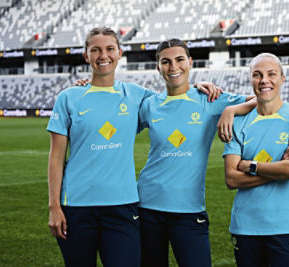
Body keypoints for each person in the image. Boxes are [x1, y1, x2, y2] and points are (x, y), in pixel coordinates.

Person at [48, 26, 222, 267]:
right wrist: (54, 206)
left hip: (122, 206)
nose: (103, 55)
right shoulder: (69, 97)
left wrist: (199, 87)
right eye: (95, 50)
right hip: (76, 206)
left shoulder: (138, 96)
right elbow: (56, 157)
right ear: (86, 55)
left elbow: (174, 94)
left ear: (120, 53)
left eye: (109, 49)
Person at [136, 38, 257, 267]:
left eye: (180, 59)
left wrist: (230, 110)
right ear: (158, 67)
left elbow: (260, 100)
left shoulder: (209, 99)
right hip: (147, 207)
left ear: (190, 62)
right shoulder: (150, 105)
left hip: (189, 210)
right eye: (166, 62)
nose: (173, 67)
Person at [222, 53, 289, 267]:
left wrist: (251, 166)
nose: (264, 80)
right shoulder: (238, 123)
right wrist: (278, 169)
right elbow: (232, 179)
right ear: (251, 80)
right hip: (244, 228)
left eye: (271, 74)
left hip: (286, 227)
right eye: (257, 75)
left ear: (282, 79)